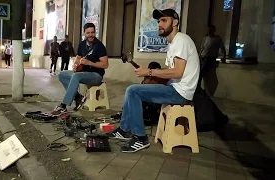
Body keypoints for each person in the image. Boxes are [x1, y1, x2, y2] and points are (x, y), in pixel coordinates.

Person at [107, 9, 200, 153]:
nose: (159, 24)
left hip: (180, 92)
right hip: (175, 88)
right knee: (133, 90)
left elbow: (178, 72)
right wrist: (152, 78)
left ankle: (140, 138)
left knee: (133, 91)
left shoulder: (181, 40)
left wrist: (149, 72)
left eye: (164, 20)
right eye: (158, 21)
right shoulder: (174, 43)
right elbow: (171, 71)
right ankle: (124, 130)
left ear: (174, 23)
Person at [51, 23, 108, 115]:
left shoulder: (99, 46)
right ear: (84, 33)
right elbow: (78, 57)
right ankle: (78, 97)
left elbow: (105, 65)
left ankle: (64, 105)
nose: (90, 35)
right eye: (88, 33)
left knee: (76, 76)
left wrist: (90, 63)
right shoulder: (82, 44)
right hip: (83, 72)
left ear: (95, 32)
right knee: (62, 75)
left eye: (92, 32)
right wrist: (75, 64)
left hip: (96, 75)